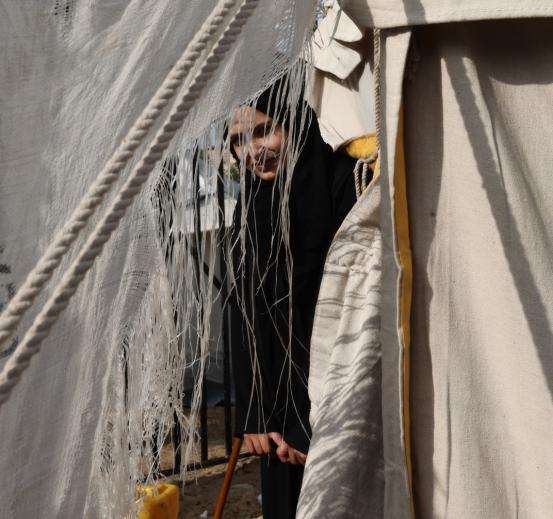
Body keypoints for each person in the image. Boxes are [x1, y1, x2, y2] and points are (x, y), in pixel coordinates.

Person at [227, 75, 363, 519]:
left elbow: (352, 304)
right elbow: (244, 315)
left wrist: (310, 422)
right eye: (237, 142)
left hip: (337, 403)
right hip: (276, 426)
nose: (251, 151)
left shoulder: (343, 184)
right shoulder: (251, 207)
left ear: (296, 123)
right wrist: (256, 415)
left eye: (264, 130)